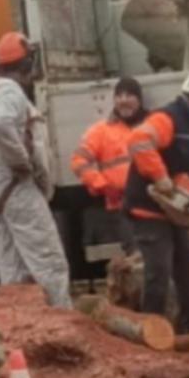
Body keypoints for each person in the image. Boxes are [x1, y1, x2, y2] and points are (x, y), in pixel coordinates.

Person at [0, 32, 72, 310]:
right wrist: (20, 162)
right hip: (16, 186)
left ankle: (16, 321)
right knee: (50, 262)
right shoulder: (11, 93)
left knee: (14, 266)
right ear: (27, 64)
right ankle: (64, 324)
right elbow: (1, 126)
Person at [124, 69, 189, 333]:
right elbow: (138, 141)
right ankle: (150, 328)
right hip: (148, 208)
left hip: (174, 211)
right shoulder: (167, 119)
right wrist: (159, 176)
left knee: (188, 269)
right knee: (158, 270)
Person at [71, 77, 146, 252]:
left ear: (139, 100)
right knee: (136, 256)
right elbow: (78, 162)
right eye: (119, 95)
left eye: (129, 95)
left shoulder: (152, 125)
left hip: (153, 204)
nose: (124, 100)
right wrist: (102, 185)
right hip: (123, 207)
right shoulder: (101, 131)